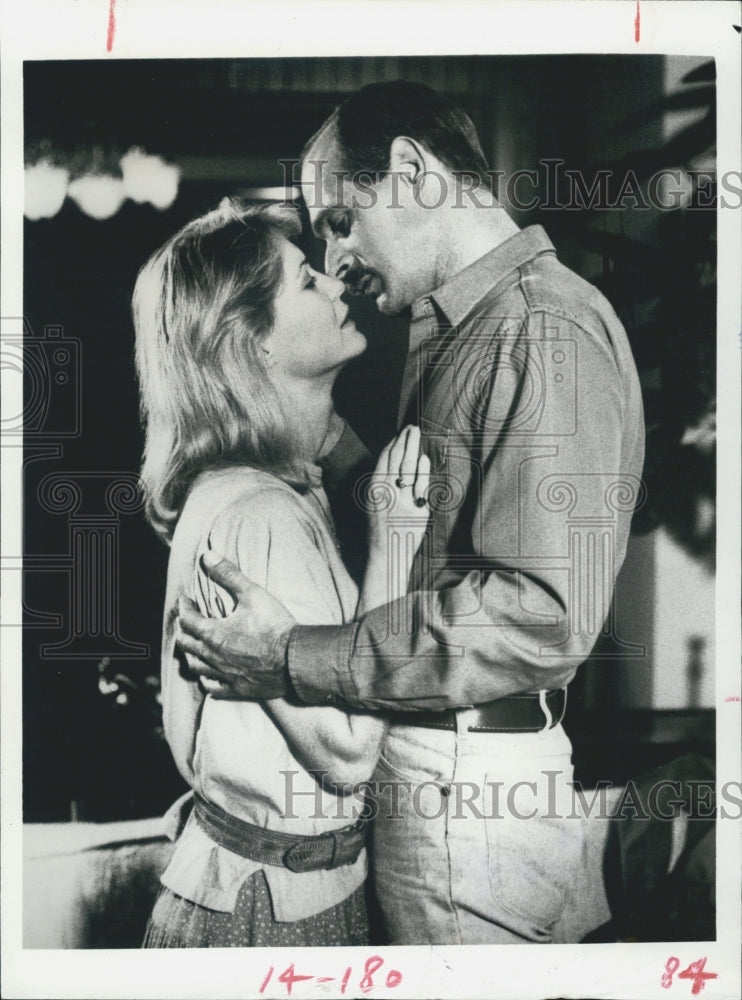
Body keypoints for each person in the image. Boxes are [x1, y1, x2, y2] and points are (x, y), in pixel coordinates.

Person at [176, 82, 646, 945]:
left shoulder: (541, 330)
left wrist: (288, 657)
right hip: (442, 775)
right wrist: (319, 438)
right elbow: (436, 537)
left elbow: (539, 617)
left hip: (466, 785)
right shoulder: (466, 329)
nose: (336, 257)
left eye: (340, 221)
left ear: (410, 170)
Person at [133, 198, 430, 947]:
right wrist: (395, 538)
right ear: (254, 343)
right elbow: (349, 753)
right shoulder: (262, 512)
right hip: (269, 914)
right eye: (305, 282)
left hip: (256, 890)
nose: (336, 283)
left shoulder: (241, 485)